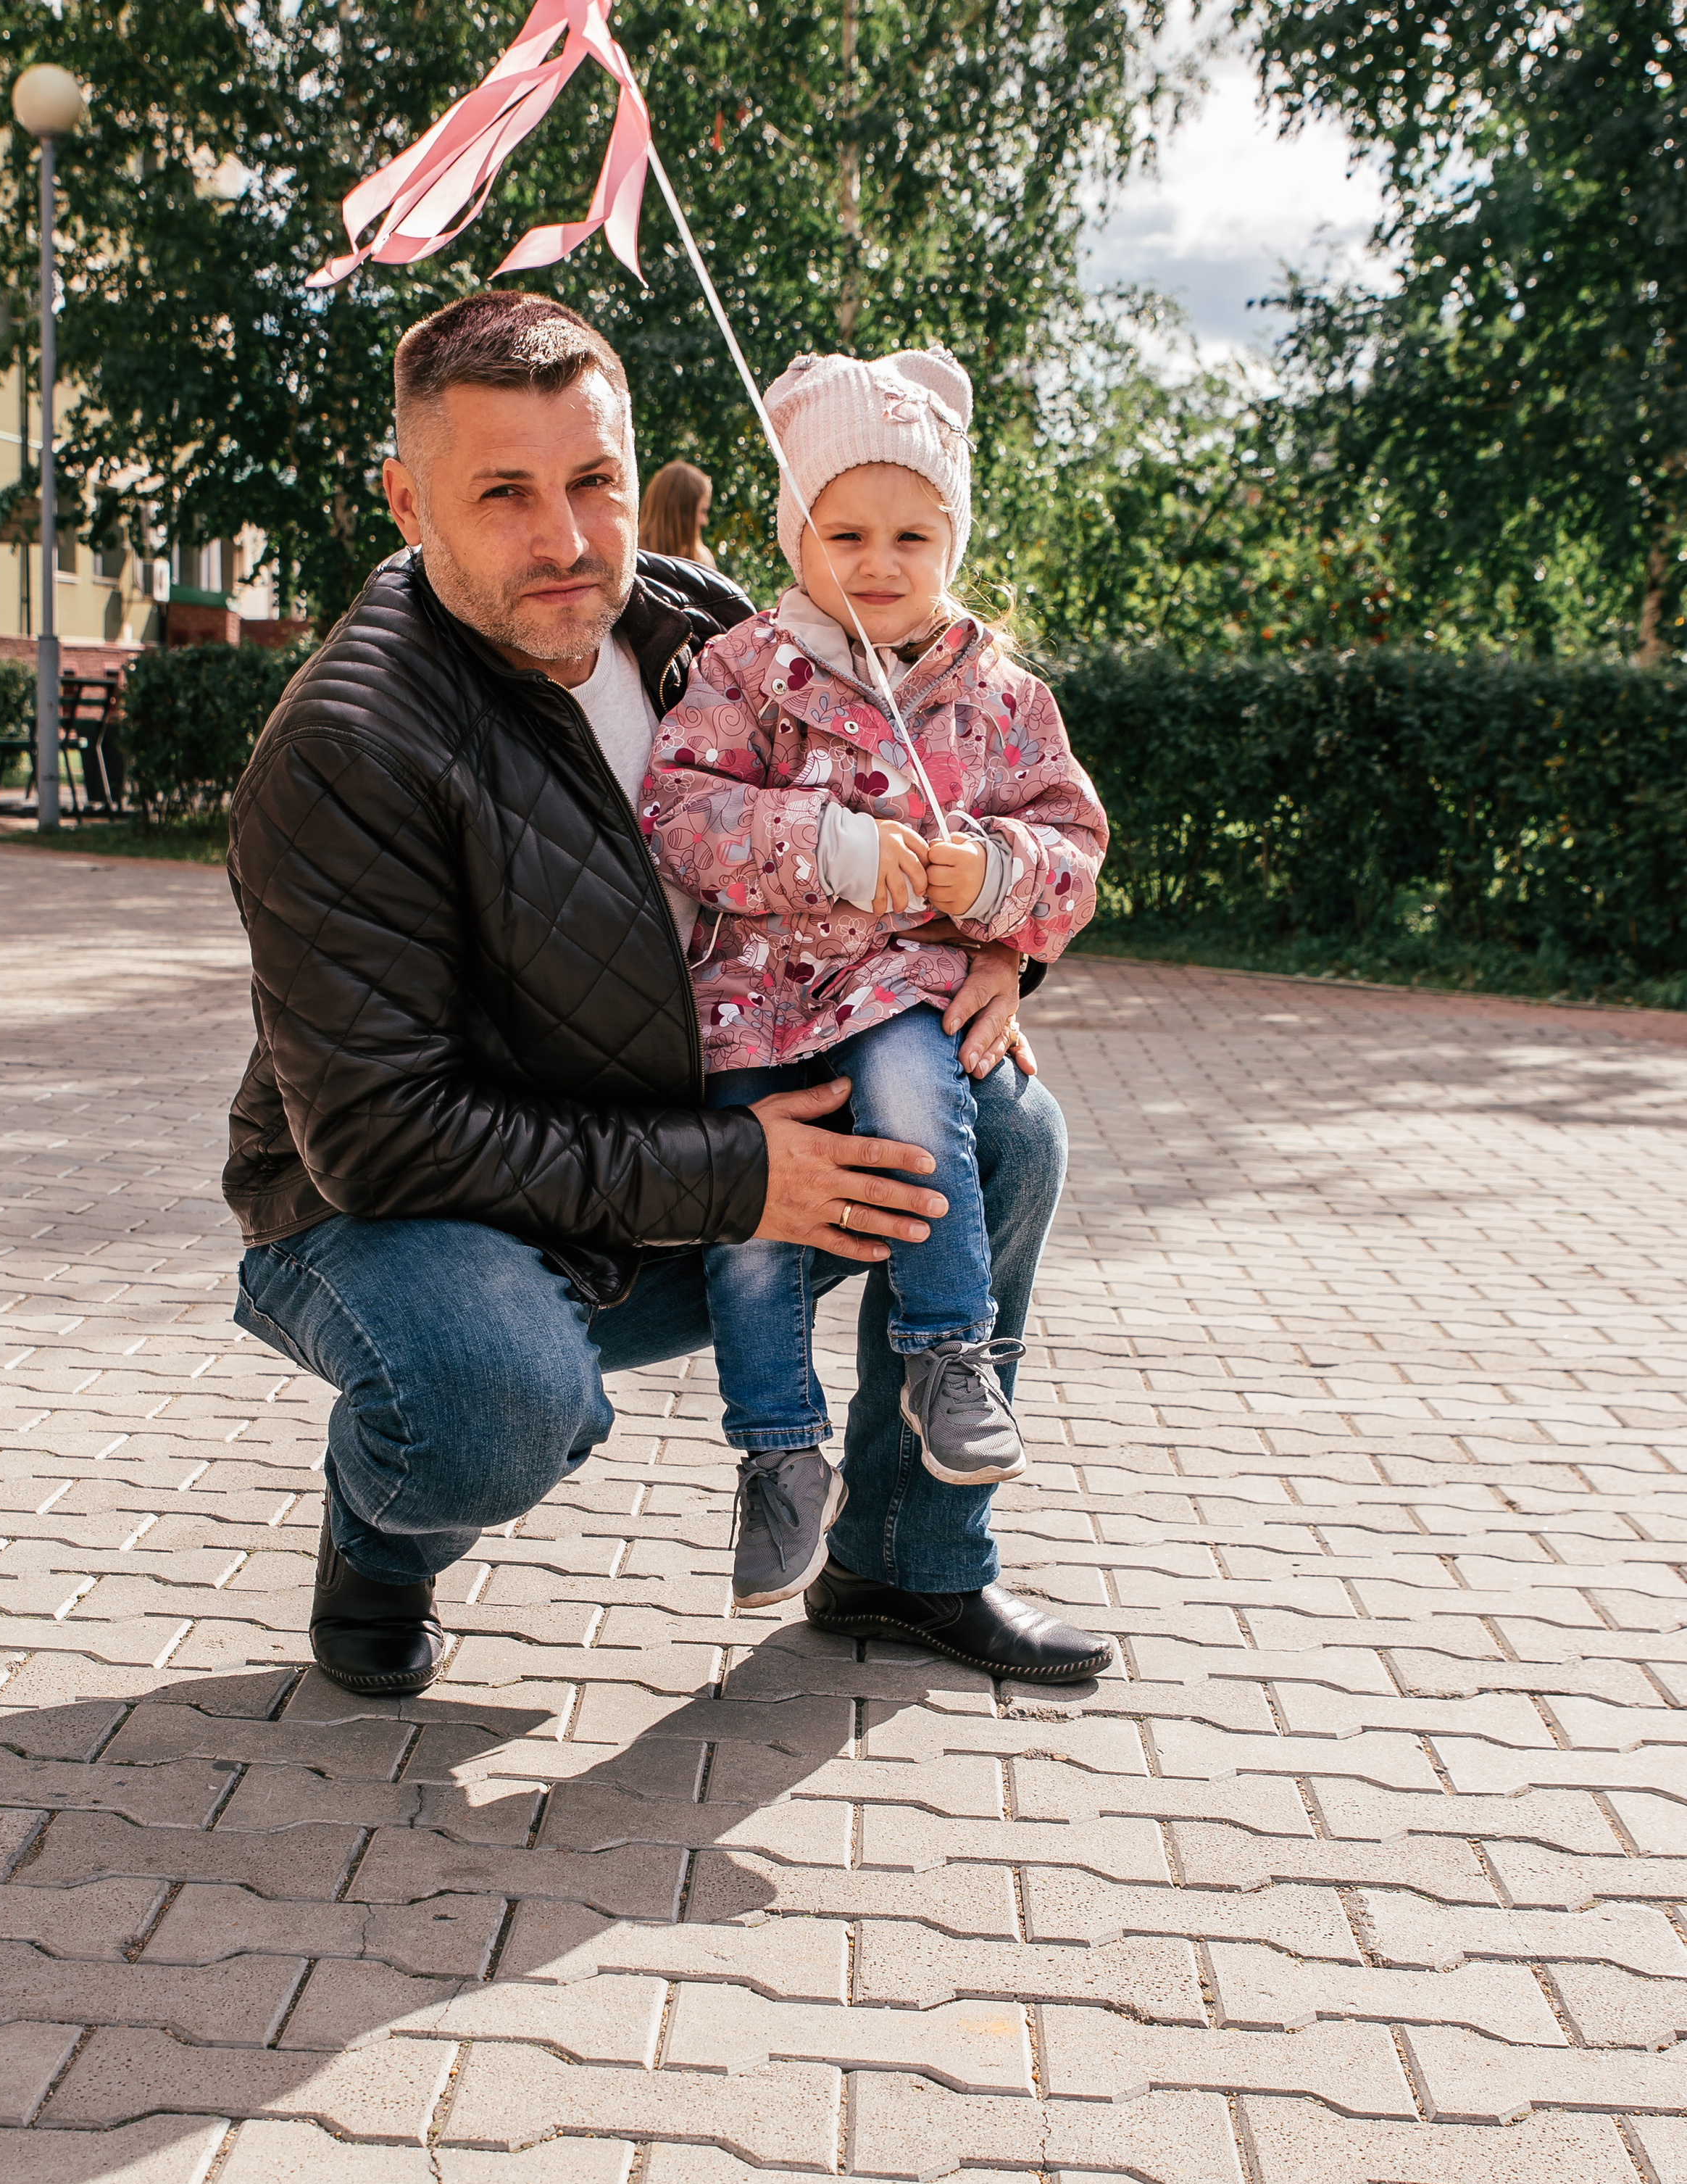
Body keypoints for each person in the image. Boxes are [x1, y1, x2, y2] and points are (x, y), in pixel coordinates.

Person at [223, 288, 1114, 1699]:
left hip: (668, 1156)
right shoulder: (349, 746)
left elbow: (953, 797)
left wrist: (1000, 940)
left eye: (593, 482)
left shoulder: (707, 628)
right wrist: (735, 1175)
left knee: (1002, 1129)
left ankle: (905, 1561)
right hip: (383, 1219)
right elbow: (383, 1137)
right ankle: (379, 1542)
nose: (567, 538)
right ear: (407, 499)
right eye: (502, 493)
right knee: (491, 1399)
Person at [641, 347, 1107, 1608]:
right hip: (754, 1005)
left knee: (925, 1097)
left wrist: (998, 883)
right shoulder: (748, 670)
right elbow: (675, 808)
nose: (878, 562)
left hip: (899, 988)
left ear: (954, 537)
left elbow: (1076, 846)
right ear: (795, 533)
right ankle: (778, 1454)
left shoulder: (999, 696)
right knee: (755, 1220)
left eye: (913, 532)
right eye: (843, 530)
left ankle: (950, 1356)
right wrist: (829, 846)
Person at [639, 457, 715, 565]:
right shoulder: (632, 560)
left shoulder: (703, 561)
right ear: (680, 514)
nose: (705, 521)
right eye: (703, 511)